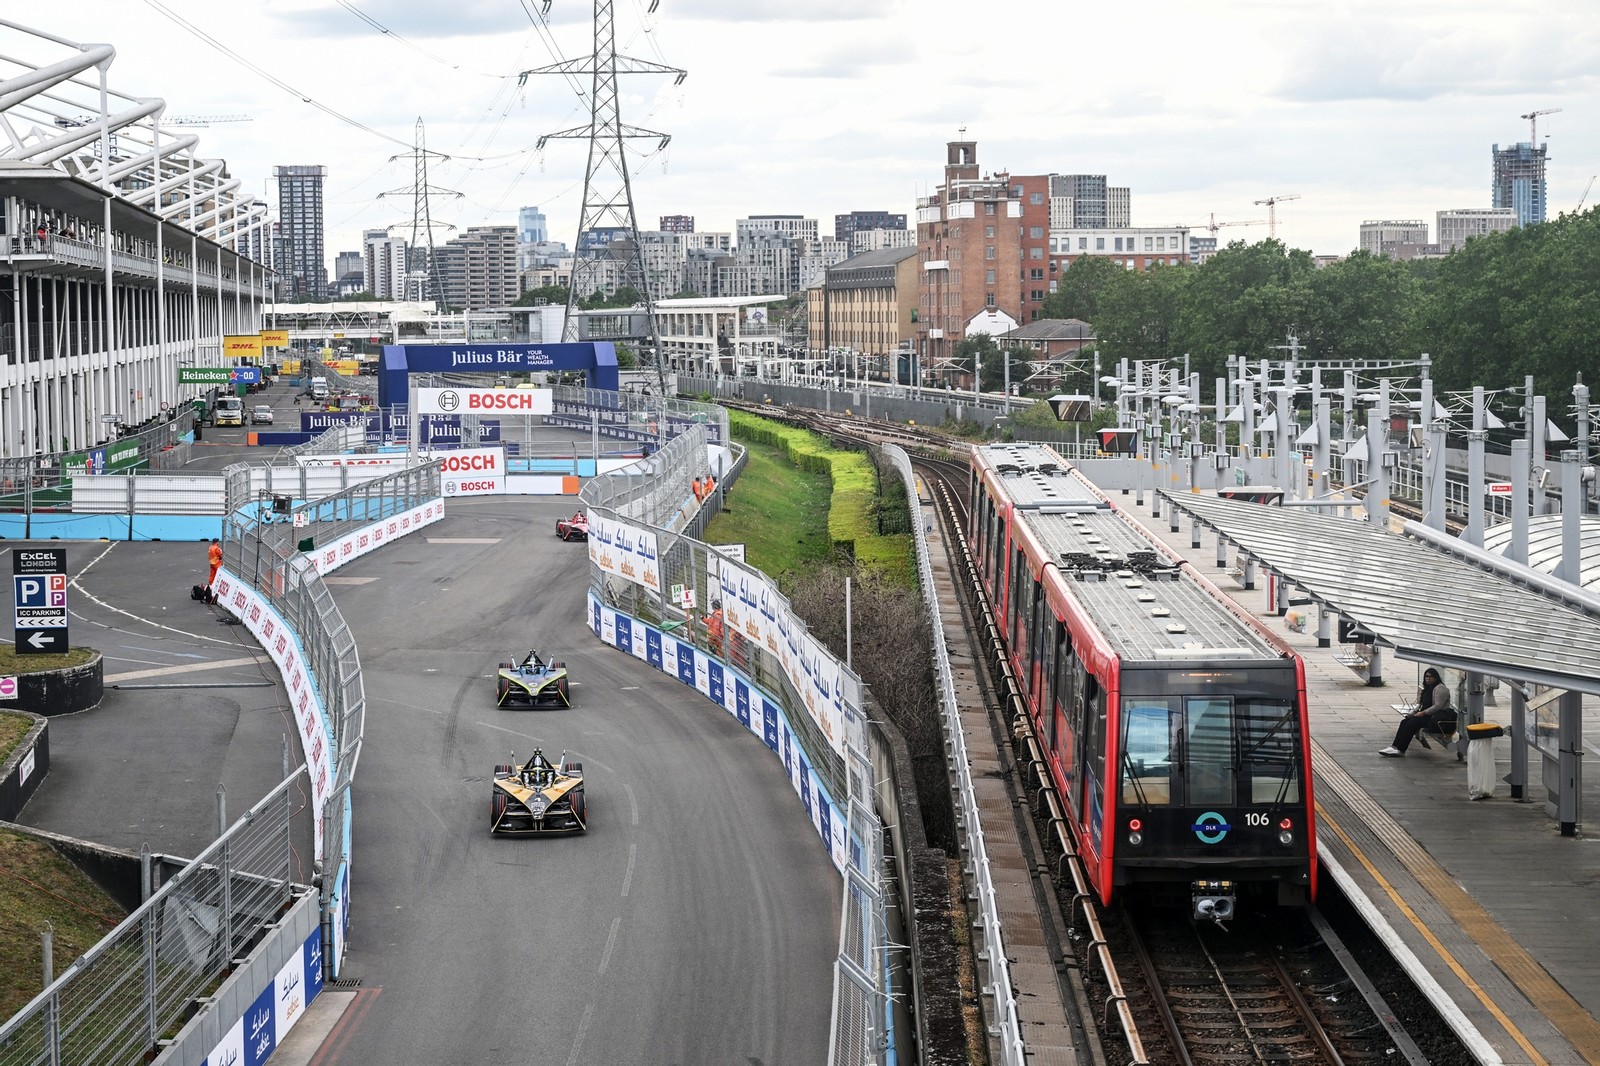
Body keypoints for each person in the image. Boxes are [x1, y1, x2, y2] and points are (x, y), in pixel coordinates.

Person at [1380, 667, 1454, 757]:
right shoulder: (1428, 689)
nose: (1428, 678)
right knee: (1404, 722)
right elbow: (1421, 704)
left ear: (1436, 678)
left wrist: (1423, 713)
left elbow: (1437, 706)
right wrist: (1414, 712)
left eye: (1431, 676)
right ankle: (1394, 746)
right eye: (1426, 676)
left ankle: (1401, 749)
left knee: (1412, 724)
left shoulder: (1440, 688)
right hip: (1428, 716)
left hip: (1436, 719)